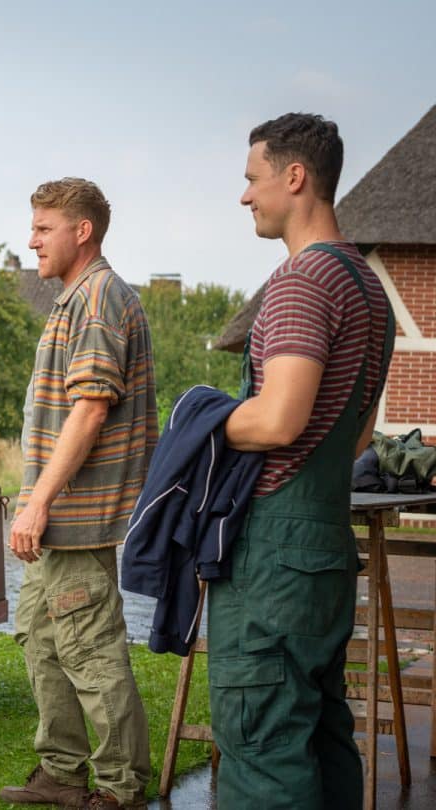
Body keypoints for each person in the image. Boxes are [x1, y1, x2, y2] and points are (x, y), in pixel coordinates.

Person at [210, 113, 393, 807]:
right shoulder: (368, 290)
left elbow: (281, 418)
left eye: (253, 179)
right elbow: (356, 437)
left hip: (273, 559)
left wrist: (198, 427)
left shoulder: (301, 282)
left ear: (295, 177)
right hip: (323, 545)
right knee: (321, 737)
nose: (245, 196)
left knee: (262, 748)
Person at [0, 178, 155, 810]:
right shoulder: (74, 300)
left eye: (43, 228)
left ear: (81, 230)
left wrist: (37, 501)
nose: (31, 240)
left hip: (78, 518)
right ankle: (61, 774)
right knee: (39, 637)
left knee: (90, 652)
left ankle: (122, 789)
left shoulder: (98, 300)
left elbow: (90, 411)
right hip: (58, 521)